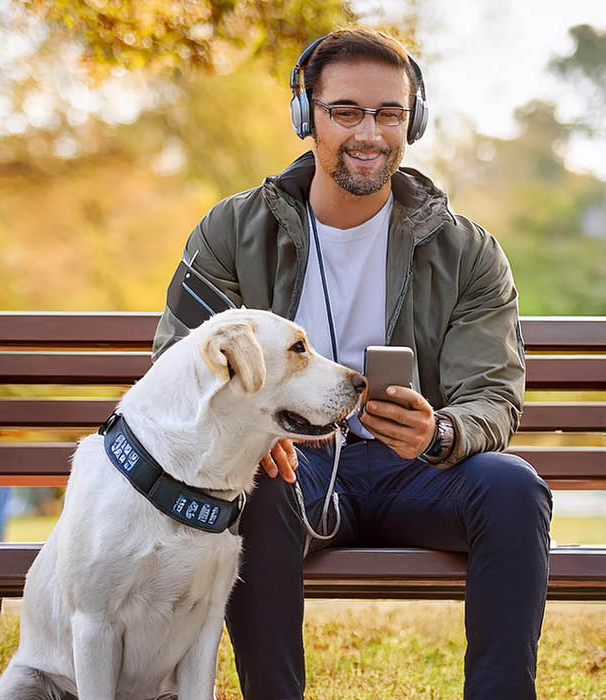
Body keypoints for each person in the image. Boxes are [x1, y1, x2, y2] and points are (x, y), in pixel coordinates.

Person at [152, 28, 552, 700]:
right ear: (306, 116)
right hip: (294, 470)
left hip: (419, 474)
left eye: (389, 113)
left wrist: (441, 433)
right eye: (345, 111)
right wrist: (252, 436)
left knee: (514, 488)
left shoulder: (469, 252)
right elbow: (179, 364)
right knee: (258, 487)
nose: (369, 132)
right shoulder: (233, 229)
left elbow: (492, 394)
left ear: (412, 122)